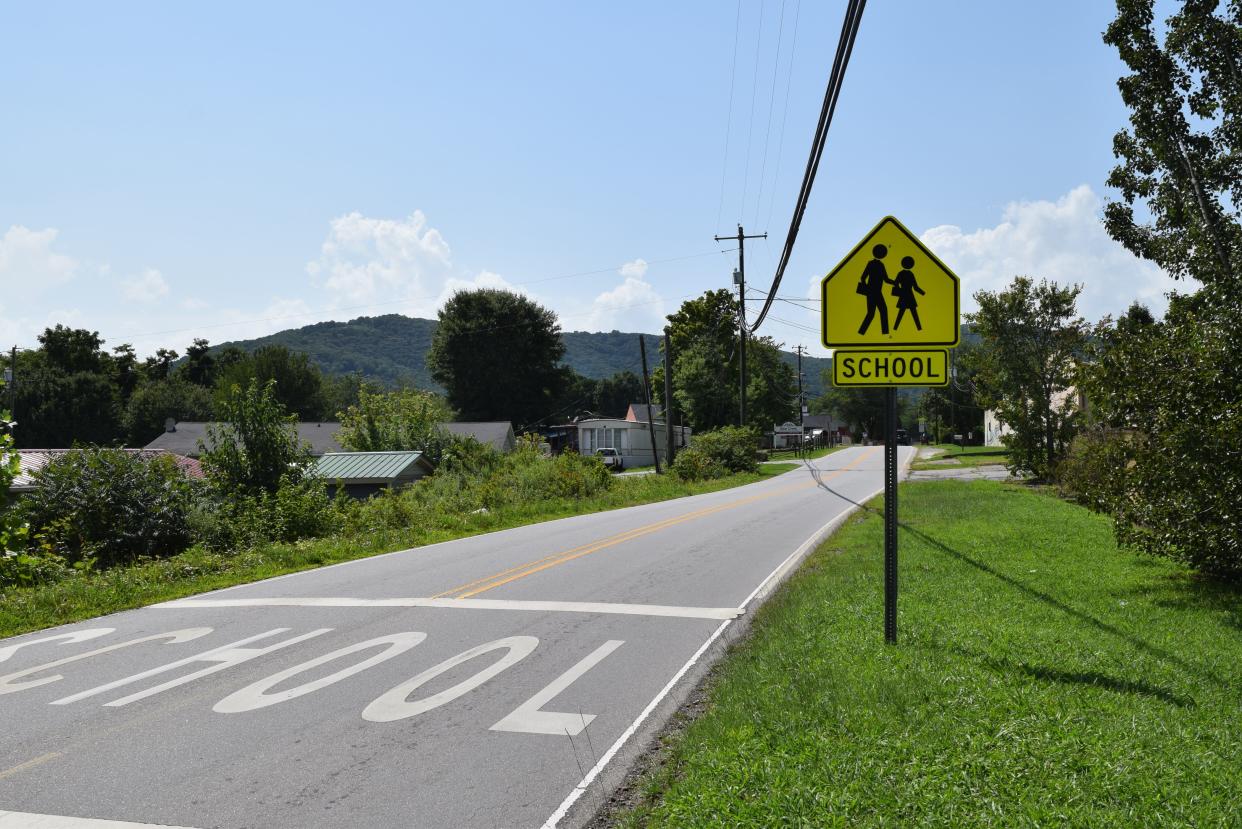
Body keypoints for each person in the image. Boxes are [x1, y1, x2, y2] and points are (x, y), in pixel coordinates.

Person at [857, 244, 895, 335]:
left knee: (876, 312)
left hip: (875, 292)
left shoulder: (877, 264)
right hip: (874, 292)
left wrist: (895, 282)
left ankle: (863, 332)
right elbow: (863, 277)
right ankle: (864, 332)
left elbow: (885, 279)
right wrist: (866, 289)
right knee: (877, 312)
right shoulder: (875, 264)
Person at [891, 255, 926, 331]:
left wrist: (923, 293)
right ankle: (919, 329)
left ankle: (895, 328)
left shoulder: (901, 273)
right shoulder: (910, 274)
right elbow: (915, 287)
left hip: (904, 295)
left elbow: (896, 283)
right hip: (909, 295)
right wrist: (923, 293)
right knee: (912, 313)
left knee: (903, 313)